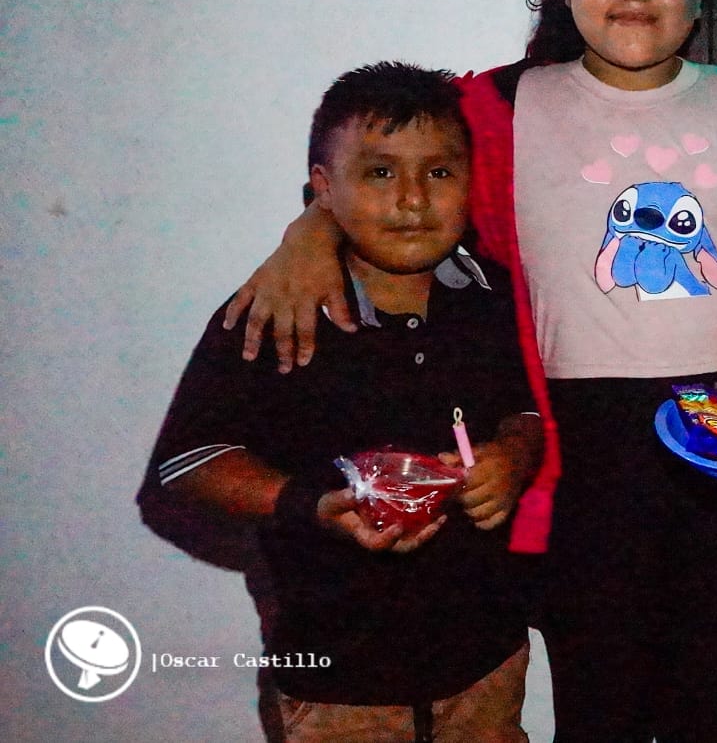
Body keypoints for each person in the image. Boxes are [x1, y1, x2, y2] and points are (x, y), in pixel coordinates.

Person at [222, 0, 717, 742]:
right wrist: (310, 232)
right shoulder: (497, 108)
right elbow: (395, 175)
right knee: (599, 711)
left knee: (714, 712)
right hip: (579, 455)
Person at [141, 62, 543, 742]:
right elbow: (187, 463)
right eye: (380, 172)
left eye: (439, 172)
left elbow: (527, 409)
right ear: (323, 189)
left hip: (487, 661)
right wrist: (311, 504)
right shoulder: (276, 313)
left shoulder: (494, 297)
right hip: (336, 680)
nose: (412, 199)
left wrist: (514, 455)